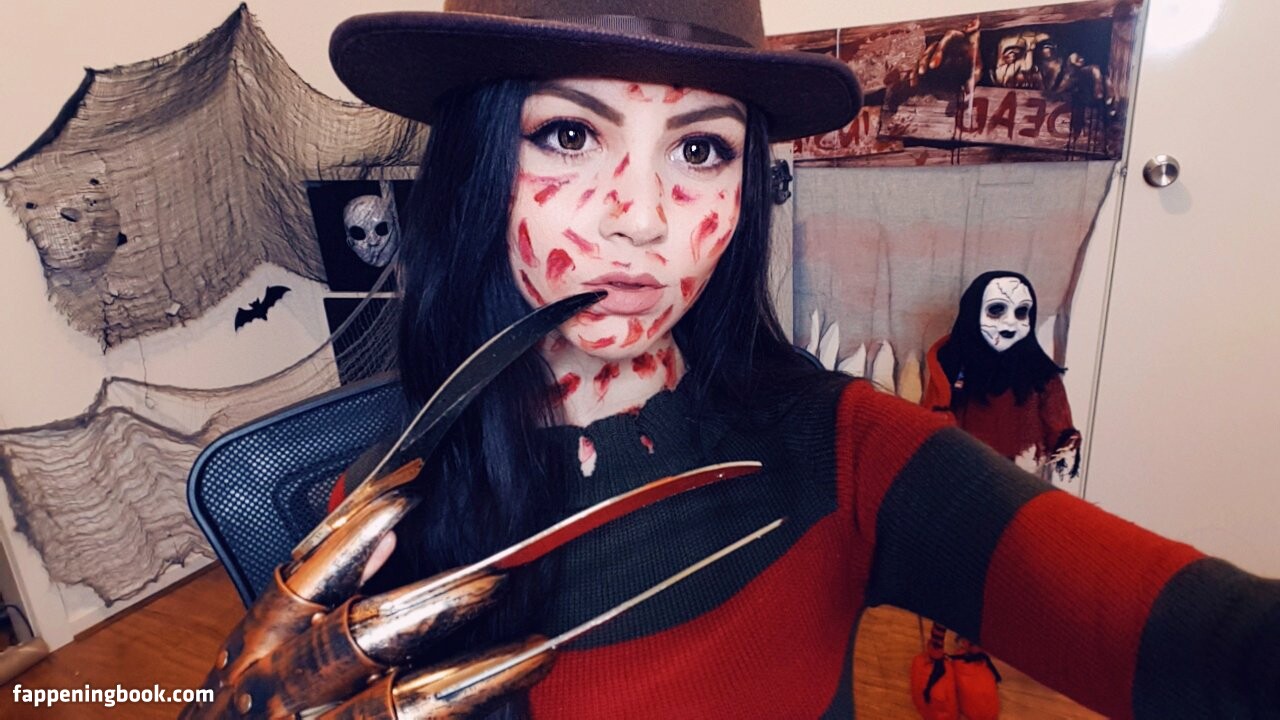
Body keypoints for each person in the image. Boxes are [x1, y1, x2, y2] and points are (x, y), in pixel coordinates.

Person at [185, 1, 1280, 718]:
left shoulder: (848, 450)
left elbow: (1212, 645)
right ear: (478, 167)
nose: (643, 218)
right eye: (568, 135)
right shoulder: (367, 513)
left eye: (702, 149)